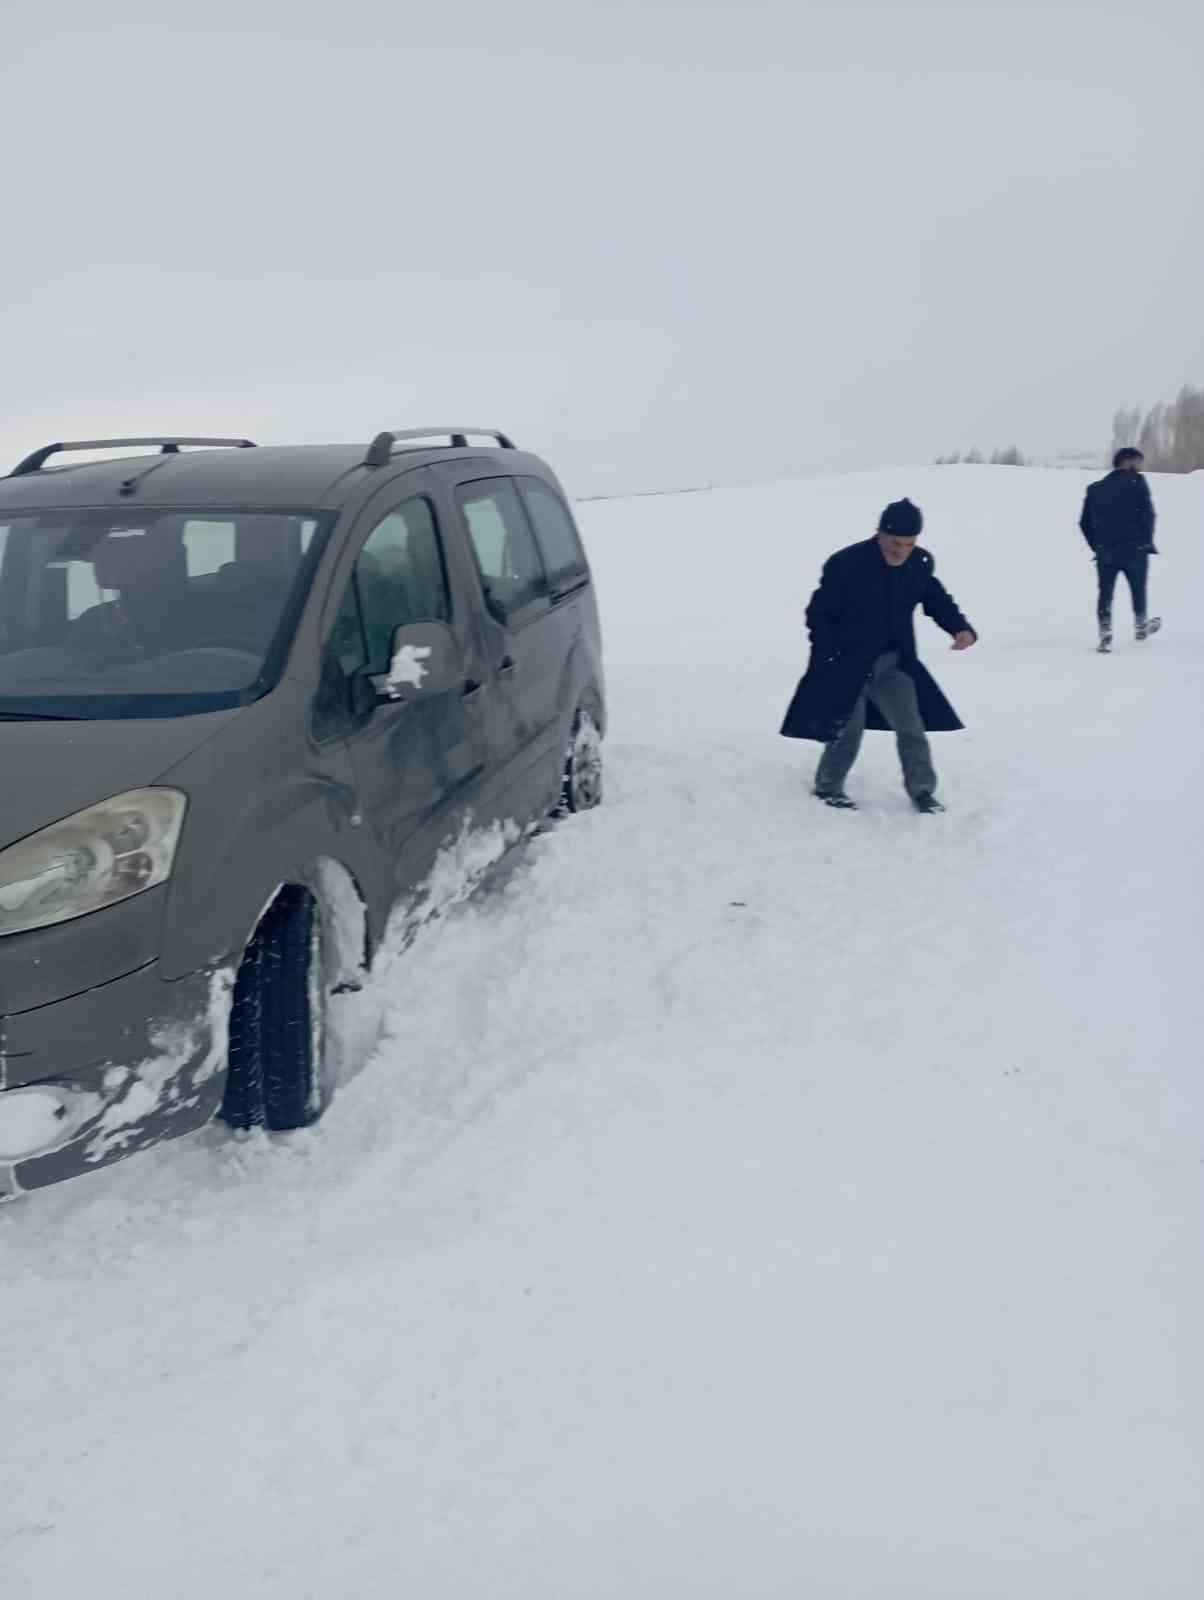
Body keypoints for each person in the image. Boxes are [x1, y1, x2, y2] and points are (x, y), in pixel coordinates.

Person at [780, 498, 977, 813]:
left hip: (894, 663)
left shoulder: (919, 563)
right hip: (847, 662)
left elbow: (936, 599)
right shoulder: (846, 563)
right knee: (849, 729)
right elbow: (819, 614)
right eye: (895, 543)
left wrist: (959, 628)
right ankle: (828, 786)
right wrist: (828, 657)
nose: (902, 551)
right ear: (879, 533)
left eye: (909, 544)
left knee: (911, 726)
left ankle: (922, 791)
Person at [1079, 447, 1161, 653]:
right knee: (1138, 590)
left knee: (1105, 594)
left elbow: (1084, 523)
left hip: (1106, 553)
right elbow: (1148, 516)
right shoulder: (1138, 482)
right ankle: (1141, 627)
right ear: (1127, 461)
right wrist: (1145, 542)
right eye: (1138, 462)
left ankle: (1105, 635)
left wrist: (1098, 546)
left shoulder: (1095, 489)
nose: (1140, 467)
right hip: (1135, 550)